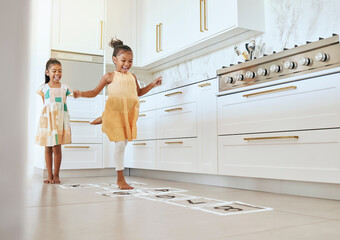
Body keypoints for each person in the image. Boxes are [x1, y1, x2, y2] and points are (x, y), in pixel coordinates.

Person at [73, 38, 162, 189]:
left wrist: (152, 84)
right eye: (123, 60)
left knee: (124, 143)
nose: (127, 64)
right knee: (120, 144)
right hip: (116, 111)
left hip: (127, 113)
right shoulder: (109, 76)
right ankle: (120, 178)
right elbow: (95, 92)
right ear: (115, 59)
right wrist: (81, 93)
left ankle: (104, 117)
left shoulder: (132, 77)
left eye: (130, 61)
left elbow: (139, 92)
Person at [35, 58, 72, 184]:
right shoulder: (43, 89)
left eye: (60, 71)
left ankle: (56, 175)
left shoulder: (65, 88)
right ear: (47, 72)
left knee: (57, 148)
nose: (57, 73)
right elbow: (46, 106)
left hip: (60, 120)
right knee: (48, 147)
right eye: (54, 70)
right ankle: (49, 176)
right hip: (48, 121)